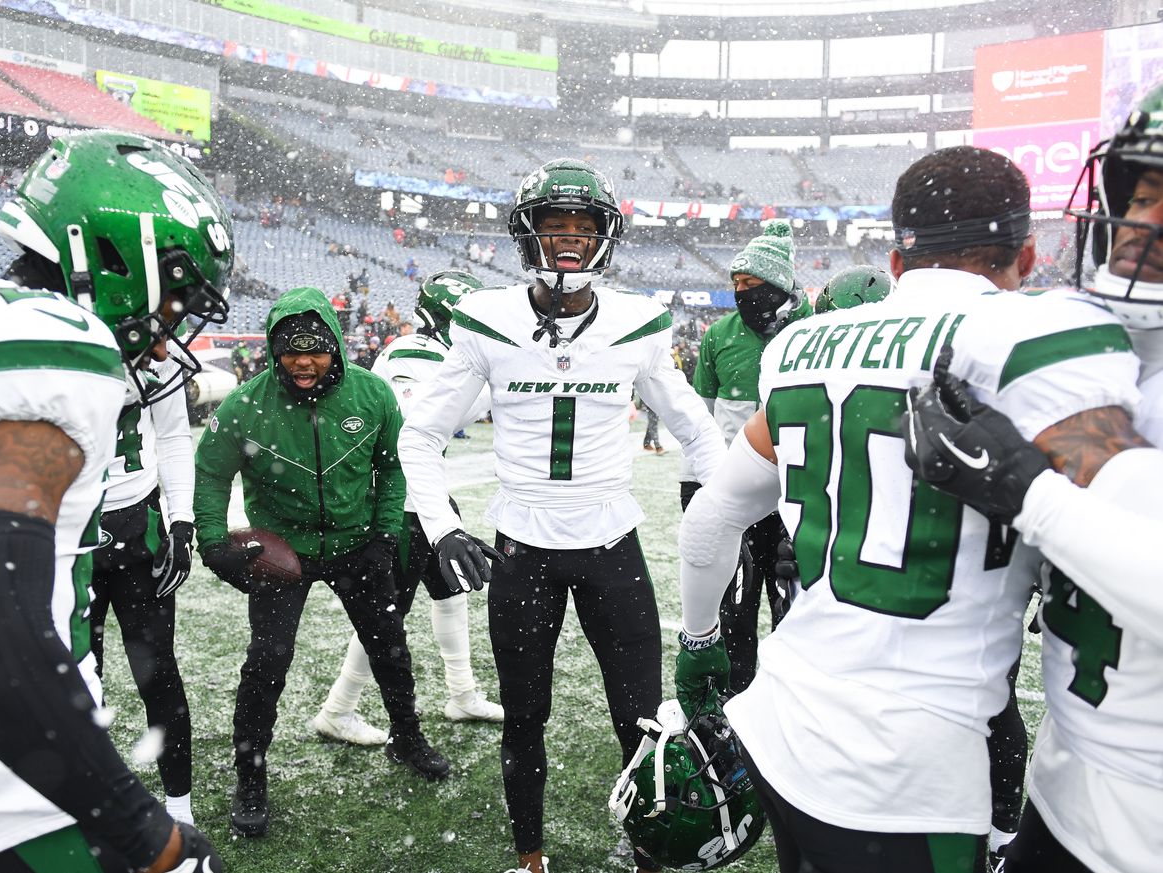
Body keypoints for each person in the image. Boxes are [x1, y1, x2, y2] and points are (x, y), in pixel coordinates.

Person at [676, 145, 1142, 873]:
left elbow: (713, 516)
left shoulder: (800, 346)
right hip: (906, 768)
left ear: (897, 262)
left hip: (781, 722)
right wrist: (1035, 499)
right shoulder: (1033, 336)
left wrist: (699, 636)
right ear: (1026, 254)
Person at [0, 130, 233, 873]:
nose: (165, 343)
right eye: (173, 301)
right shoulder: (55, 347)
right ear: (116, 261)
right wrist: (151, 839)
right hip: (3, 807)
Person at [398, 159, 725, 873]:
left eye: (583, 225)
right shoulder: (487, 320)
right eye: (556, 224)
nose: (571, 237)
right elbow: (418, 434)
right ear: (529, 234)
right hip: (522, 550)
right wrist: (442, 527)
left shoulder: (639, 322)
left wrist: (724, 508)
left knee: (640, 718)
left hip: (611, 543)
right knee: (524, 718)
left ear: (604, 236)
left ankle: (648, 851)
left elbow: (699, 430)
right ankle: (530, 858)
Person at [903, 87, 1163, 873]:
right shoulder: (1106, 345)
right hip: (1066, 784)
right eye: (1141, 193)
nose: (1141, 223)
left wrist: (1028, 494)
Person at [194, 287, 450, 839]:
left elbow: (393, 466)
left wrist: (386, 532)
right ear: (274, 351)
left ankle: (407, 738)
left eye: (315, 350)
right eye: (291, 351)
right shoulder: (245, 405)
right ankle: (250, 776)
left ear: (335, 344)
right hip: (282, 553)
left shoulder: (372, 393)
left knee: (390, 649)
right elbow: (212, 472)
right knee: (266, 663)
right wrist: (213, 543)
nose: (304, 362)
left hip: (357, 545)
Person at [311, 270, 502, 747]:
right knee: (385, 614)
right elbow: (417, 426)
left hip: (426, 498)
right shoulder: (416, 353)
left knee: (451, 592)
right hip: (403, 503)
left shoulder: (430, 352)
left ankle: (462, 693)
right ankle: (338, 709)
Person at [679, 220, 812, 697]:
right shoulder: (719, 335)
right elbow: (700, 417)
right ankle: (736, 701)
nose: (741, 293)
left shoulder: (813, 331)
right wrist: (692, 486)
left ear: (777, 284)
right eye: (735, 283)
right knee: (735, 609)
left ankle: (788, 700)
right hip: (735, 494)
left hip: (799, 497)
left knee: (795, 612)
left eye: (751, 283)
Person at [88, 349, 197, 827]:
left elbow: (172, 435)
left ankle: (179, 808)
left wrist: (182, 520)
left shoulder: (158, 348)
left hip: (139, 526)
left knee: (158, 674)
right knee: (77, 673)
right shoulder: (55, 338)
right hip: (67, 529)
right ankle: (88, 798)